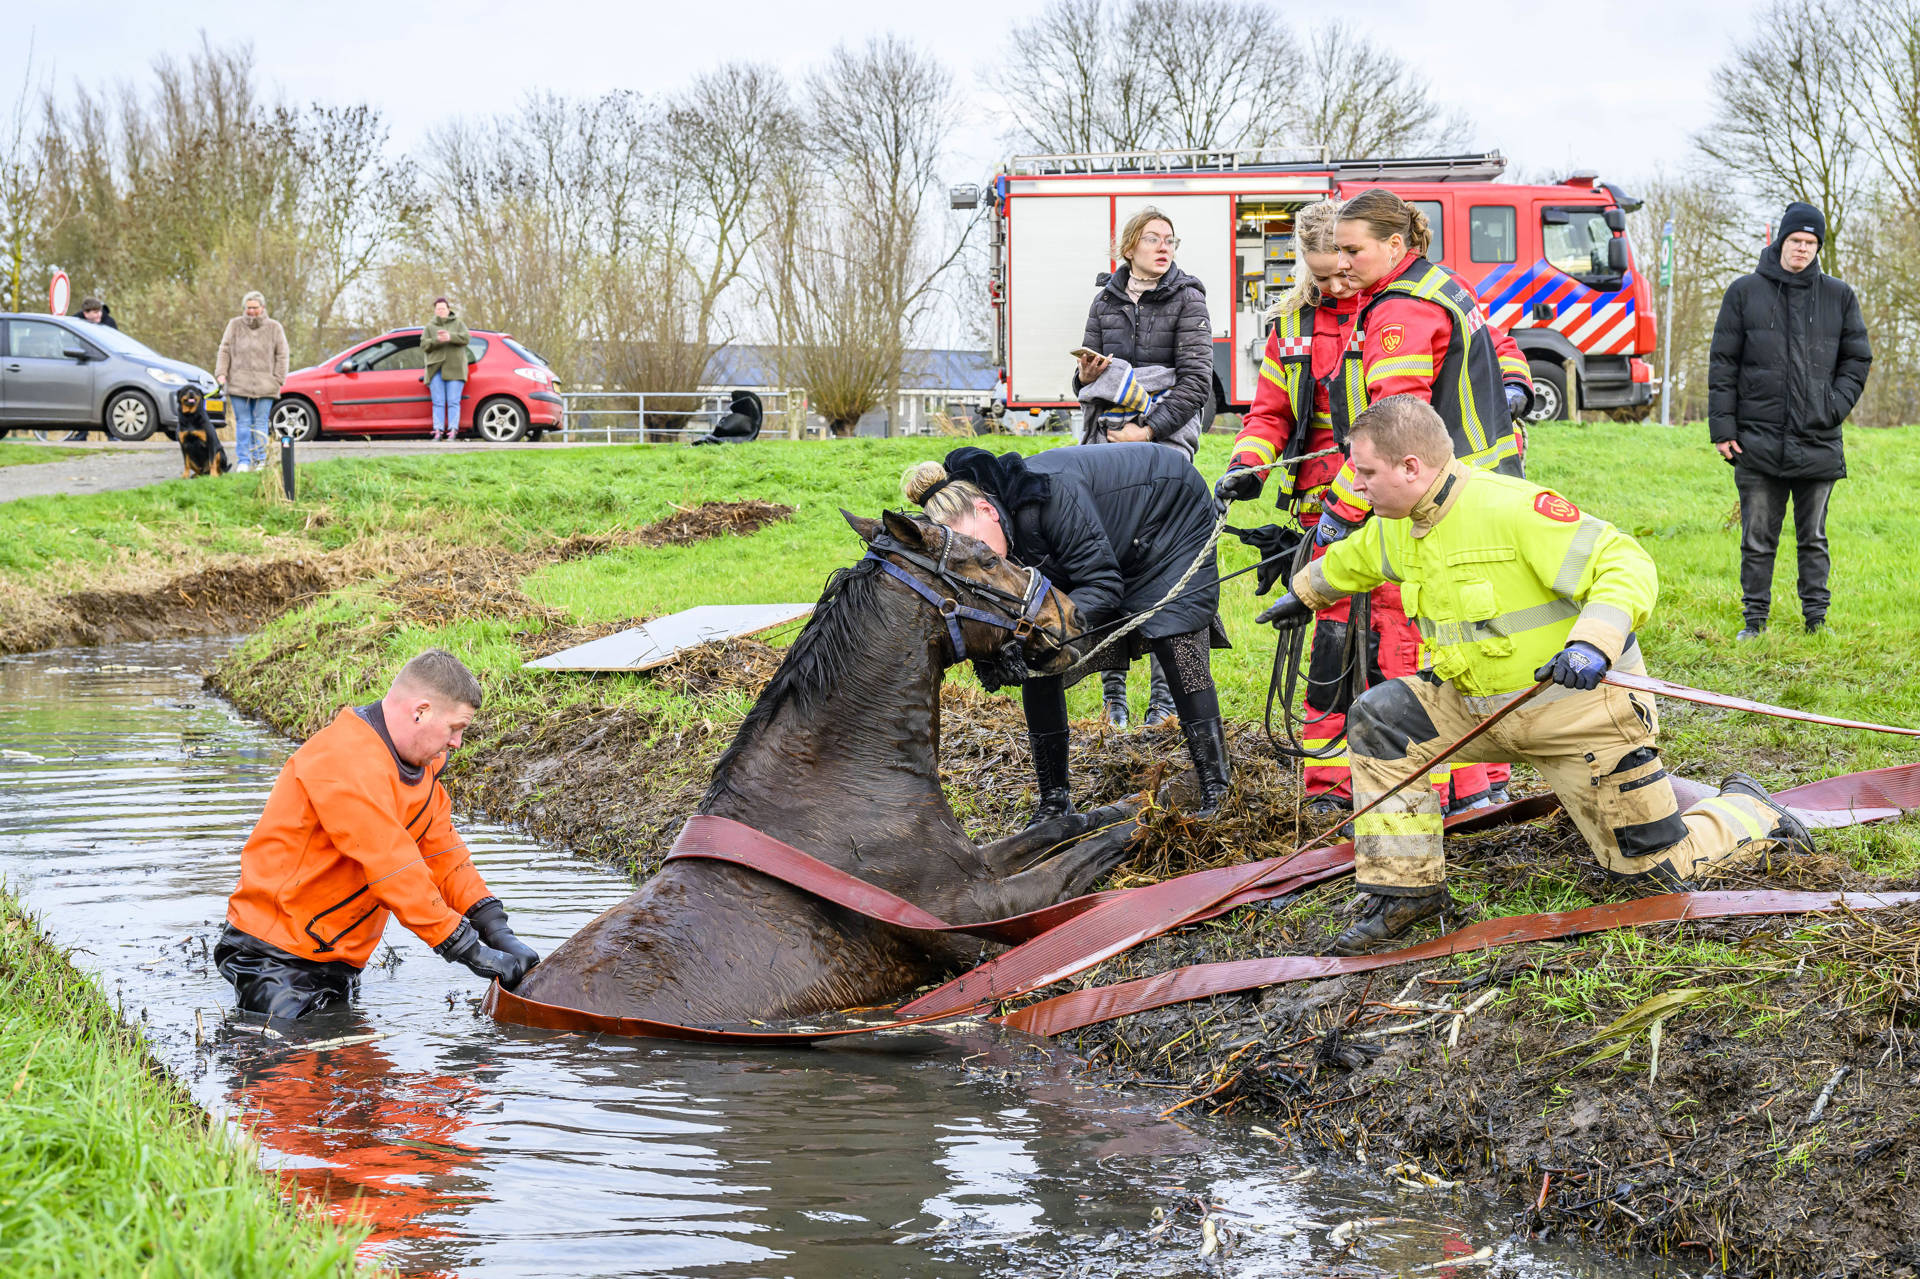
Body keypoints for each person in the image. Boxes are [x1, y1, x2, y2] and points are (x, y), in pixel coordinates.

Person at [1257, 397, 1813, 954]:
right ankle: (1407, 891)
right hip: (1478, 708)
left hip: (1580, 716)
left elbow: (1625, 563)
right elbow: (1354, 559)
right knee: (1380, 720)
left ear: (1410, 468)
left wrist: (1591, 644)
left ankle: (1751, 811)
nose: (1355, 486)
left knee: (1655, 878)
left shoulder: (1512, 509)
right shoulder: (1401, 523)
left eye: (1366, 472)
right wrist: (1303, 594)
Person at [1217, 194, 1534, 816]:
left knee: (1414, 645)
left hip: (1392, 500)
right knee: (1337, 648)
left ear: (1374, 248)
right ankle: (1334, 785)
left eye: (1346, 262)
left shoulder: (1395, 310)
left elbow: (1411, 415)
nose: (1337, 280)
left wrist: (1516, 385)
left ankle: (1456, 784)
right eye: (1323, 271)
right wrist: (1246, 468)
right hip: (1335, 502)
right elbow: (1271, 414)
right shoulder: (1298, 327)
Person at [903, 443, 1233, 820]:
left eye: (977, 545)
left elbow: (1103, 583)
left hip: (1168, 514)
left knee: (1177, 638)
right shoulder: (996, 537)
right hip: (1106, 537)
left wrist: (1038, 631)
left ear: (987, 510)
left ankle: (1217, 790)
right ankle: (1055, 801)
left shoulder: (1051, 497)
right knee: (1036, 661)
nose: (976, 557)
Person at [216, 649, 539, 1020]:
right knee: (285, 1067)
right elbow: (392, 866)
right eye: (455, 728)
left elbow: (443, 855)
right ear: (420, 712)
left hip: (337, 961)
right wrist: (468, 949)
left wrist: (495, 930)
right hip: (274, 958)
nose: (457, 743)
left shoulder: (422, 767)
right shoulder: (343, 760)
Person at [1071, 206, 1212, 729]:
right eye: (1153, 239)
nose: (1164, 247)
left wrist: (1147, 431)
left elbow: (1197, 383)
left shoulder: (1188, 297)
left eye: (1171, 240)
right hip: (1105, 440)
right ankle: (1114, 700)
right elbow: (1081, 388)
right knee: (1103, 563)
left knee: (1161, 567)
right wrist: (1087, 375)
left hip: (1161, 441)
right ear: (1128, 246)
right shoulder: (1103, 299)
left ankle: (1165, 701)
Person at [1708, 202, 1871, 639]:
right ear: (1780, 241)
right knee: (1757, 539)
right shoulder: (1743, 292)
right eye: (1796, 241)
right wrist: (1723, 430)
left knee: (1813, 538)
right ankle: (1754, 622)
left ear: (1818, 247)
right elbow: (1722, 364)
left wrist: (1834, 405)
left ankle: (1816, 621)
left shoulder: (1840, 296)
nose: (1802, 249)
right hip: (1756, 443)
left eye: (1810, 243)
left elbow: (1857, 359)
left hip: (1818, 440)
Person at [215, 291, 290, 473]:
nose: (251, 311)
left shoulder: (274, 327)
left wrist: (278, 378)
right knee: (242, 422)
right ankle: (243, 460)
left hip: (266, 384)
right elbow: (224, 350)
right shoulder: (234, 325)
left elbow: (282, 354)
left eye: (255, 308)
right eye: (248, 307)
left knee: (261, 422)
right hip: (238, 383)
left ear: (262, 308)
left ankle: (260, 460)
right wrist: (221, 373)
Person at [422, 297, 472, 441]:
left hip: (455, 369)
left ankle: (453, 430)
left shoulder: (458, 324)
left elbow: (466, 338)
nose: (440, 311)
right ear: (435, 311)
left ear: (448, 310)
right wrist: (437, 340)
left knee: (453, 401)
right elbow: (424, 345)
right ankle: (437, 430)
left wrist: (450, 337)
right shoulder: (430, 327)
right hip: (435, 369)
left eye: (443, 308)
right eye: (438, 309)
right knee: (438, 402)